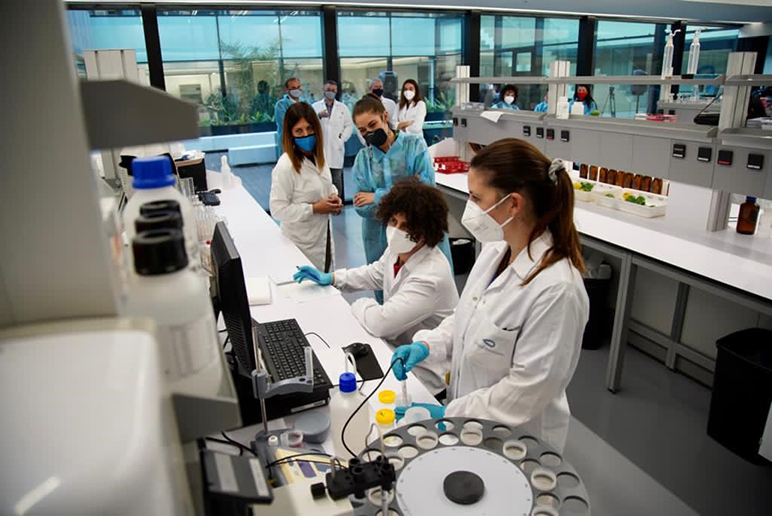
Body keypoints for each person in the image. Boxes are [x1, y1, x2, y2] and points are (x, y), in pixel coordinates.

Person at [390, 138, 590, 453]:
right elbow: (467, 317)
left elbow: (527, 389)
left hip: (516, 443)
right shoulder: (496, 250)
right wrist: (427, 345)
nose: (470, 207)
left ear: (513, 204)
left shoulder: (557, 289)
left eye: (475, 197)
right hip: (471, 427)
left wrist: (451, 413)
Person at [293, 180, 458, 396]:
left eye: (406, 226)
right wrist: (333, 278)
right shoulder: (400, 249)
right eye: (393, 221)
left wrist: (360, 304)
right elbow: (376, 273)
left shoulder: (431, 275)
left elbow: (381, 323)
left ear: (425, 232)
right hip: (394, 348)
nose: (396, 230)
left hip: (424, 372)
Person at [351, 94, 453, 303]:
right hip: (379, 235)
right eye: (362, 130)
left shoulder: (414, 145)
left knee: (427, 292)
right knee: (387, 289)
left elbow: (426, 190)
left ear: (385, 116)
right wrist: (407, 190)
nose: (369, 133)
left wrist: (376, 195)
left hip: (419, 230)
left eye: (373, 124)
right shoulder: (363, 160)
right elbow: (361, 205)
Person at [270, 103, 342, 272]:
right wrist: (314, 208)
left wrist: (333, 195)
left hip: (323, 238)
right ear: (290, 134)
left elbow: (325, 185)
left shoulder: (319, 155)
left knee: (325, 284)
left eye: (310, 129)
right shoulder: (285, 166)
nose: (306, 135)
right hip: (301, 245)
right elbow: (278, 209)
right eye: (299, 131)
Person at [313, 80, 354, 199]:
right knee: (321, 179)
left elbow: (349, 125)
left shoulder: (342, 107)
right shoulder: (315, 107)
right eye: (328, 90)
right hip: (321, 148)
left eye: (333, 90)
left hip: (336, 148)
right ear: (323, 90)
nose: (330, 92)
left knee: (336, 179)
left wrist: (342, 138)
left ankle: (337, 203)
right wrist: (318, 116)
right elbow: (309, 123)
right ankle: (323, 202)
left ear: (336, 92)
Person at [274, 77, 308, 158]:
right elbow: (286, 123)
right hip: (288, 143)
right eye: (293, 88)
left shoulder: (305, 103)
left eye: (298, 87)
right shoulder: (281, 105)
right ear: (286, 90)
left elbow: (311, 120)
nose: (296, 90)